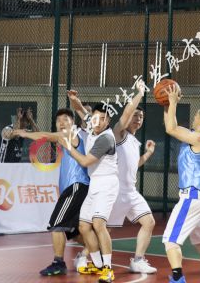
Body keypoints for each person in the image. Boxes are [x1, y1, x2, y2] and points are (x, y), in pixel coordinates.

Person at [161, 85, 200, 283]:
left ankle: (178, 278)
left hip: (193, 195)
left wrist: (173, 102)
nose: (194, 117)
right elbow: (171, 126)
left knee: (171, 241)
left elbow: (171, 129)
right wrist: (167, 105)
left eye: (196, 115)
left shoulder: (198, 138)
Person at [14, 108, 89, 276]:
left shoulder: (70, 134)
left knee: (56, 224)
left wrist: (24, 133)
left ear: (73, 123)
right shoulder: (64, 139)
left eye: (65, 119)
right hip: (74, 188)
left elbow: (45, 136)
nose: (61, 123)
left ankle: (58, 263)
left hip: (76, 186)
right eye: (58, 120)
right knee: (73, 231)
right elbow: (47, 136)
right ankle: (98, 248)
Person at [61, 99, 118, 283]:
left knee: (99, 224)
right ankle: (98, 265)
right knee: (84, 227)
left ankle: (108, 269)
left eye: (104, 119)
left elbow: (85, 162)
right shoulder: (93, 124)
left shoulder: (106, 138)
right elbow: (80, 110)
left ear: (108, 121)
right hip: (95, 184)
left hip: (107, 184)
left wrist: (68, 147)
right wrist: (74, 100)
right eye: (96, 118)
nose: (99, 122)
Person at [106, 79, 157, 274]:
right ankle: (84, 255)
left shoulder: (134, 141)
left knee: (149, 222)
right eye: (135, 115)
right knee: (106, 230)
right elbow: (125, 114)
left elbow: (134, 165)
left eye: (141, 116)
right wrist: (139, 94)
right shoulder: (118, 134)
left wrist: (148, 154)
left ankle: (138, 260)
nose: (137, 118)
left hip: (131, 192)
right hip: (116, 192)